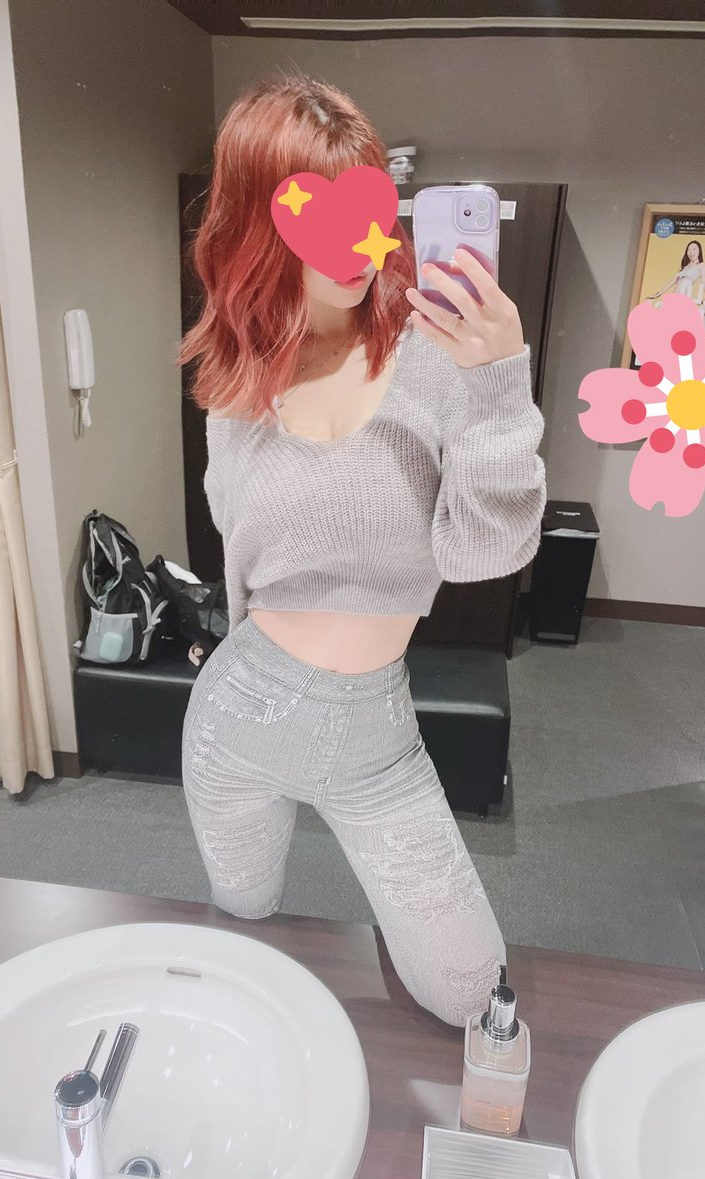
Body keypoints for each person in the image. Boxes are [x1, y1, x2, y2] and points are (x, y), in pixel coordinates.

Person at [178, 73, 547, 1027]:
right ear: (260, 228)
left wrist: (499, 387)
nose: (352, 246)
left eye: (367, 210)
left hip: (373, 740)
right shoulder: (237, 379)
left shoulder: (435, 356)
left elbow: (485, 553)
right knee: (244, 941)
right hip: (236, 719)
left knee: (470, 993)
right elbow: (240, 560)